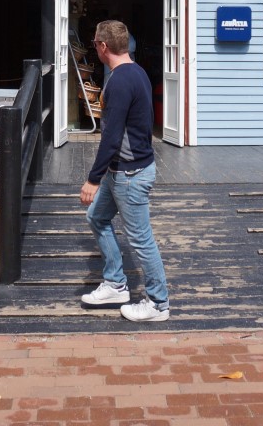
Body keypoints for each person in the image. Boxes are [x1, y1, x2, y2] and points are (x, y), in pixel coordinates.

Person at [78, 20, 170, 322]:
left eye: (95, 43)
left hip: (130, 175)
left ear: (103, 46)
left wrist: (92, 179)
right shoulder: (137, 72)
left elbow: (111, 137)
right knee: (97, 217)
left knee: (141, 240)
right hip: (122, 170)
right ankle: (116, 284)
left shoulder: (119, 81)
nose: (95, 47)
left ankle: (158, 303)